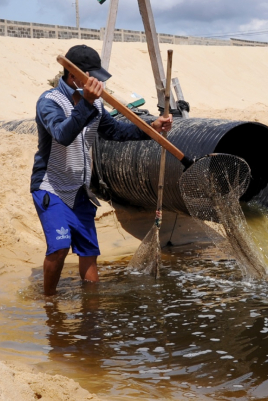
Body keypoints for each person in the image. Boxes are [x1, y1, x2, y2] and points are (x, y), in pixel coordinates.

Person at [31, 44, 172, 296]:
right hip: (50, 187)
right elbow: (62, 134)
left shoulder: (94, 106)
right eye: (93, 76)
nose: (99, 83)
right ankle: (49, 303)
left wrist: (153, 126)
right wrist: (86, 102)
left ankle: (91, 313)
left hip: (79, 190)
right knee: (60, 247)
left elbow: (116, 131)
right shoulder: (50, 102)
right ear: (74, 76)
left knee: (89, 252)